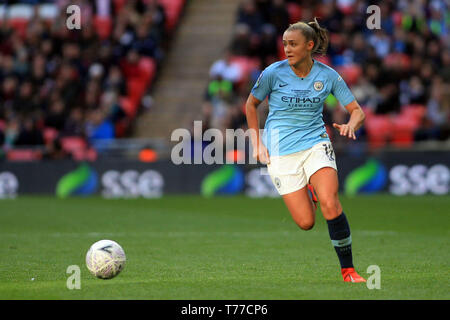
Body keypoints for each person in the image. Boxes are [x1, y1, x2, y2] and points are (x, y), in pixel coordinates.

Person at [245, 18, 367, 282]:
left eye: (293, 44)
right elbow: (250, 105)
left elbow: (357, 111)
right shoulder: (272, 73)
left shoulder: (327, 76)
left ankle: (348, 270)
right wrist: (257, 143)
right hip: (280, 151)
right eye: (285, 44)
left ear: (309, 45)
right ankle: (311, 190)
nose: (287, 49)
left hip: (315, 143)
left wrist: (350, 124)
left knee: (331, 204)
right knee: (306, 223)